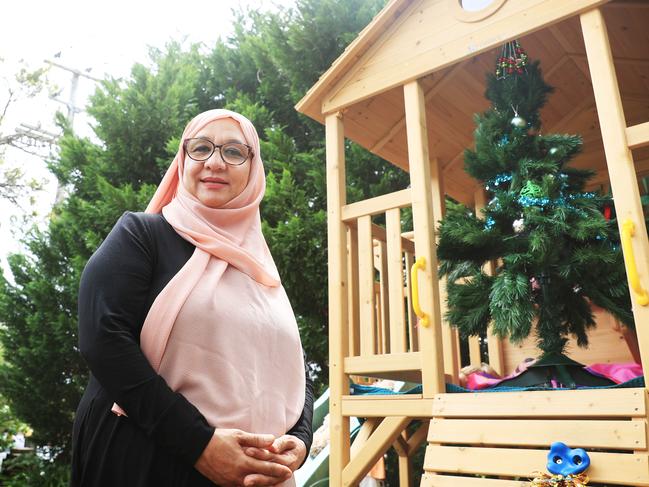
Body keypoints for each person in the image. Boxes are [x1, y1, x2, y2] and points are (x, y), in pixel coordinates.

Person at [71, 109, 314, 486]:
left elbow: (292, 368)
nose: (215, 162)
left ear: (253, 170)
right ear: (183, 160)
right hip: (147, 460)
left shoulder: (262, 269)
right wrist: (200, 444)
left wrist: (299, 438)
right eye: (201, 148)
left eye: (234, 152)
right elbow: (102, 339)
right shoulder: (142, 236)